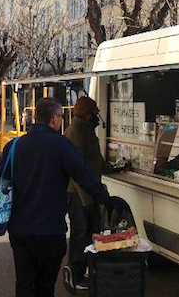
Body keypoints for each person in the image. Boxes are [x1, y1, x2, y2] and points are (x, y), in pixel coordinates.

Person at [0, 98, 111, 297]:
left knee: (24, 282)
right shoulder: (61, 145)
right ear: (55, 119)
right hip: (50, 230)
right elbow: (83, 176)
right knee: (45, 285)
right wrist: (105, 199)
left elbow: (0, 179)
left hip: (20, 230)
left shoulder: (14, 146)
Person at [64, 97, 111, 290]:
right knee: (80, 233)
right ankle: (75, 275)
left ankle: (87, 271)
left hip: (87, 191)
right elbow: (77, 170)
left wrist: (110, 168)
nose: (97, 117)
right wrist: (87, 200)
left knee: (90, 232)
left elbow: (95, 160)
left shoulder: (85, 130)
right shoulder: (77, 132)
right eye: (94, 113)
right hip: (79, 194)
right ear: (86, 113)